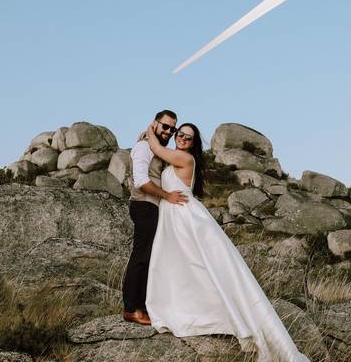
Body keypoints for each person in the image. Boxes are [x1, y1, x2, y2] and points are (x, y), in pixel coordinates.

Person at [140, 121, 309, 362]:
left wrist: (153, 128)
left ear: (194, 144)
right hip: (177, 215)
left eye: (188, 138)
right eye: (180, 135)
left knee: (198, 265)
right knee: (182, 265)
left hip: (185, 218)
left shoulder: (185, 160)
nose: (183, 139)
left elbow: (157, 149)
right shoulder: (176, 158)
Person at [121, 109, 189, 326]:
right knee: (141, 257)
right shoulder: (143, 147)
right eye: (165, 126)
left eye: (172, 128)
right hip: (144, 205)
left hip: (152, 207)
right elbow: (141, 181)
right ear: (155, 124)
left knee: (149, 257)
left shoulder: (154, 147)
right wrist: (167, 196)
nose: (169, 131)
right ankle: (131, 308)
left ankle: (141, 305)